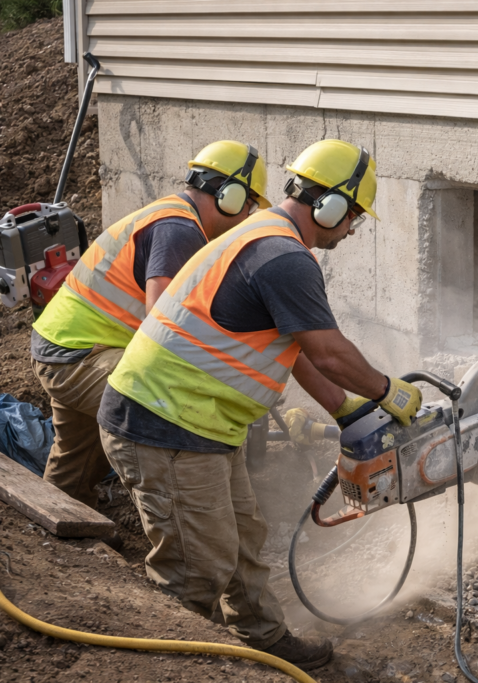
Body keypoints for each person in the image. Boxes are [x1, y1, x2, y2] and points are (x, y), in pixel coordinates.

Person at [96, 139, 423, 670]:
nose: (353, 229)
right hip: (163, 423)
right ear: (330, 206)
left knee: (245, 539)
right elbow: (327, 350)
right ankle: (172, 663)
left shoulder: (265, 238)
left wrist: (344, 411)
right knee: (196, 565)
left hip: (200, 423)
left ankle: (263, 636)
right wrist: (388, 391)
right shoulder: (284, 257)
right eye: (354, 216)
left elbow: (294, 349)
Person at [31, 141, 271, 511]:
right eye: (250, 205)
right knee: (162, 410)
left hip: (62, 346)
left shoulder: (170, 214)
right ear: (230, 196)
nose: (247, 217)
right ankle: (181, 518)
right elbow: (164, 324)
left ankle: (62, 540)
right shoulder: (181, 229)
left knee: (75, 464)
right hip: (80, 356)